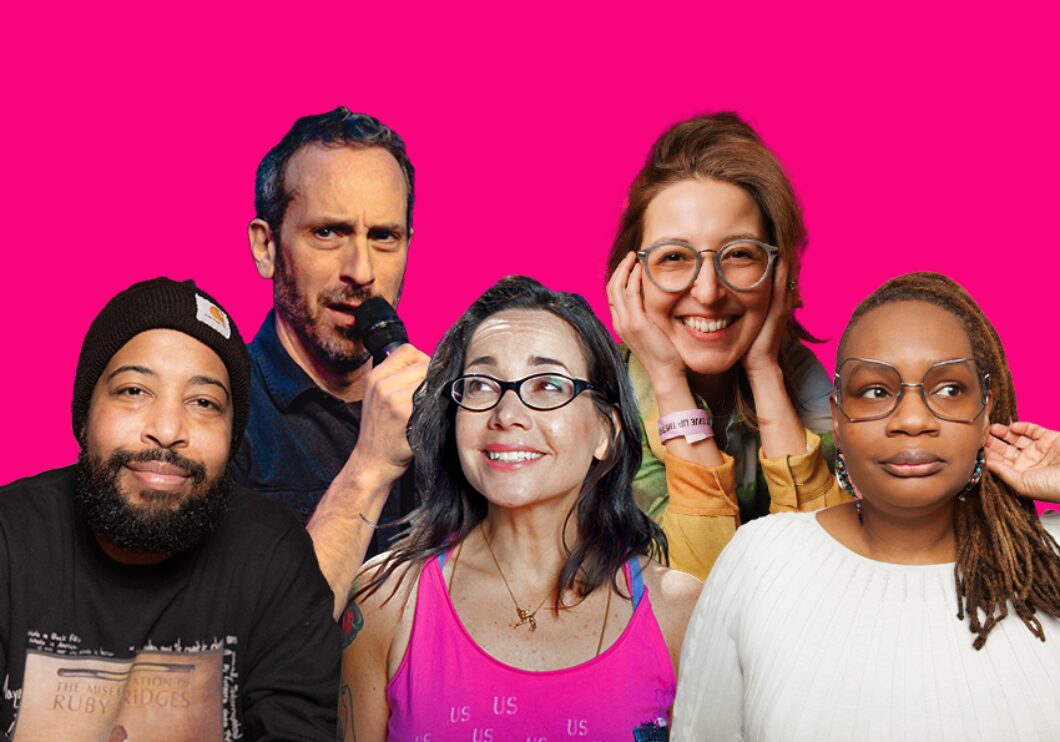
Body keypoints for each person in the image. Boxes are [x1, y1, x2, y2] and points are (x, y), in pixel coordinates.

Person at [672, 272, 1060, 741]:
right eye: (876, 391)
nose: (912, 420)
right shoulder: (763, 560)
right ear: (837, 415)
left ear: (986, 411)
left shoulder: (1048, 558)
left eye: (949, 389)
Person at [340, 276, 701, 741]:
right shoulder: (385, 599)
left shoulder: (680, 613)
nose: (506, 413)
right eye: (481, 385)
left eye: (549, 384)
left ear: (605, 433)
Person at [0, 278, 339, 740]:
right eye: (134, 391)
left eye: (204, 402)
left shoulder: (273, 555)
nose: (166, 429)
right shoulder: (9, 538)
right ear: (84, 414)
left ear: (232, 438)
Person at [606, 112, 848, 579]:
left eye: (738, 255)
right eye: (674, 257)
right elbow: (698, 588)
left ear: (780, 274)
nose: (709, 291)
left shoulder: (802, 379)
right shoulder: (598, 403)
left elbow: (823, 572)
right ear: (630, 275)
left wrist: (766, 373)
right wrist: (668, 382)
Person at [237, 107, 431, 616]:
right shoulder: (217, 411)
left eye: (384, 237)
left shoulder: (444, 407)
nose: (361, 271)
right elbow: (255, 648)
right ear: (267, 248)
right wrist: (369, 468)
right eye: (329, 233)